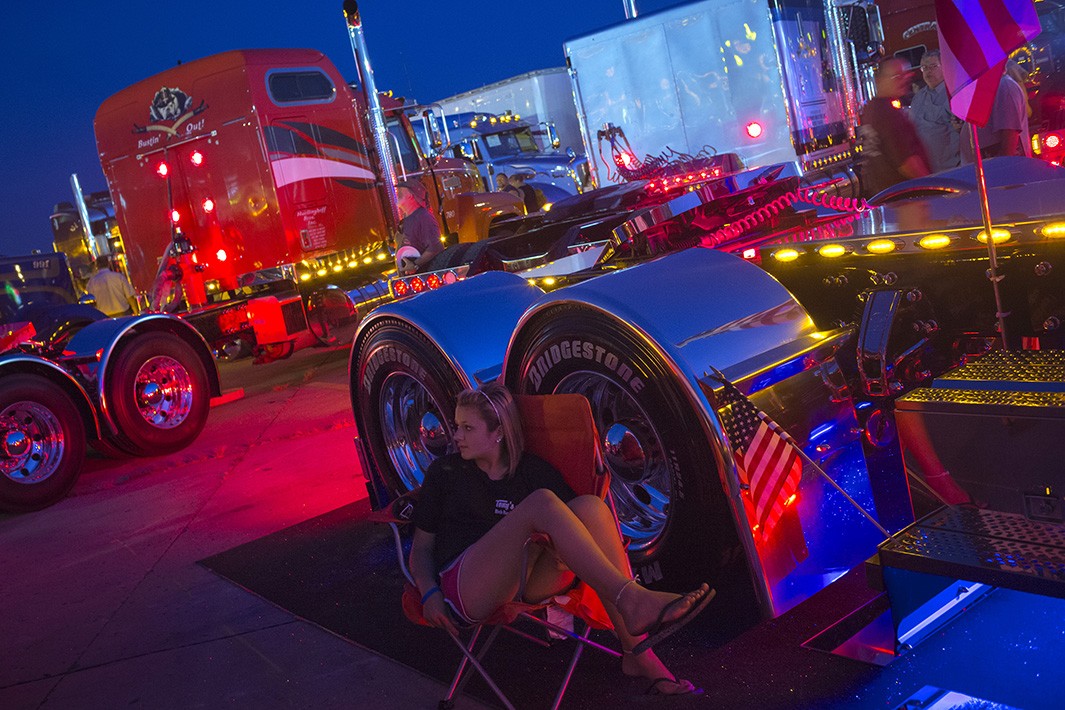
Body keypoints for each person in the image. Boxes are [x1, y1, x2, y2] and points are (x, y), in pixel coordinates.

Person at [410, 382, 715, 696]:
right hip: (462, 585)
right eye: (458, 426)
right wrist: (428, 591)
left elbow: (576, 528)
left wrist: (561, 550)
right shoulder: (446, 471)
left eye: (468, 427)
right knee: (542, 502)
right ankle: (632, 599)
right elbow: (421, 548)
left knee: (591, 508)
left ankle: (637, 653)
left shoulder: (532, 470)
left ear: (498, 431)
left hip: (527, 580)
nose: (456, 436)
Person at [858, 57, 932, 199]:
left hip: (885, 196)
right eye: (897, 76)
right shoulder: (887, 114)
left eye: (906, 75)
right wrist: (933, 187)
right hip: (906, 198)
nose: (904, 80)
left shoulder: (870, 109)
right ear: (879, 80)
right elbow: (907, 163)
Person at [960, 68, 1030, 162]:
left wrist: (1002, 166)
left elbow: (1010, 133)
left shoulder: (1004, 86)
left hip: (1000, 170)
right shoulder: (990, 88)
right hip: (989, 167)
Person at [910, 51, 961, 173]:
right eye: (924, 68)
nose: (928, 71)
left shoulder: (954, 95)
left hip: (952, 169)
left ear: (944, 67)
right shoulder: (918, 98)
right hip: (927, 171)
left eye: (933, 66)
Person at [395, 179, 443, 274]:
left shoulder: (423, 217)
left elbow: (435, 248)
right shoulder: (406, 219)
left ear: (411, 195)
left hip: (422, 275)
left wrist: (415, 265)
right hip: (408, 277)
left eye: (400, 191)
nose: (397, 193)